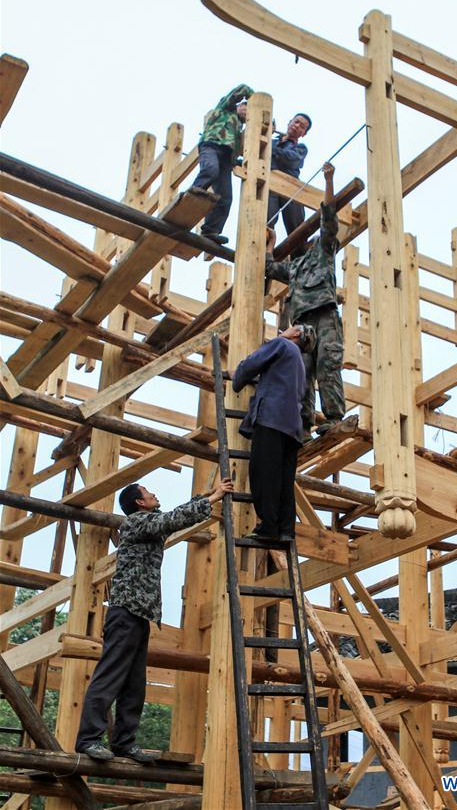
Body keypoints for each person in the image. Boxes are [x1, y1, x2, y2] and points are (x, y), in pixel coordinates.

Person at [75, 478, 233, 763]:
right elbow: (172, 519)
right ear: (140, 503)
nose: (154, 493)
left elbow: (175, 515)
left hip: (139, 614)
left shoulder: (148, 523)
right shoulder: (136, 523)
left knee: (134, 684)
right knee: (110, 676)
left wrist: (208, 495)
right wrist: (213, 498)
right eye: (149, 493)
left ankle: (124, 743)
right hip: (125, 612)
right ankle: (88, 739)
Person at [265, 162, 345, 442]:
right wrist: (270, 243)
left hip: (324, 315)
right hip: (301, 325)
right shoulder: (295, 267)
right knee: (302, 374)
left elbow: (329, 218)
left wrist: (329, 181)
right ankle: (303, 425)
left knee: (327, 365)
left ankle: (333, 418)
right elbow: (269, 267)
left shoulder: (323, 252)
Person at [232, 323, 316, 540]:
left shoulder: (281, 344)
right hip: (292, 427)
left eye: (293, 327)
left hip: (272, 418)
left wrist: (237, 377)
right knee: (283, 479)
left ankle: (268, 528)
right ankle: (286, 530)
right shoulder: (299, 362)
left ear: (296, 333)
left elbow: (251, 364)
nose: (286, 329)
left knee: (263, 474)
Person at [189, 83, 254, 245]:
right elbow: (241, 89)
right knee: (210, 170)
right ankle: (190, 198)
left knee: (225, 197)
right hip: (211, 145)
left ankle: (211, 230)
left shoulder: (240, 131)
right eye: (245, 107)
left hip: (226, 158)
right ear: (239, 106)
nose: (247, 112)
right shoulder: (226, 108)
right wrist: (255, 99)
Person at [267, 113, 312, 244]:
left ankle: (300, 254)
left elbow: (291, 159)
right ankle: (264, 250)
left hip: (291, 188)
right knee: (266, 222)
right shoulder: (271, 142)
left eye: (302, 126)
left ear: (303, 134)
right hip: (270, 186)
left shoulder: (300, 148)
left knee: (297, 229)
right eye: (296, 122)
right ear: (289, 122)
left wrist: (271, 149)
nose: (297, 126)